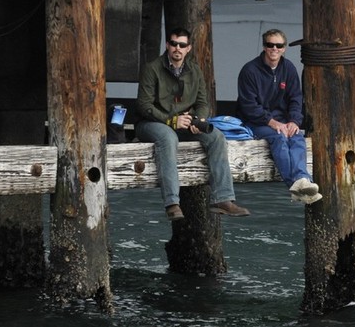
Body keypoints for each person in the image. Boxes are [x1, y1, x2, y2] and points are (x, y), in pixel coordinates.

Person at [135, 26, 250, 221]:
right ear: (167, 45)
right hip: (152, 123)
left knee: (216, 137)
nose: (177, 48)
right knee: (168, 137)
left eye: (182, 45)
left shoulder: (195, 70)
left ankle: (222, 199)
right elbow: (143, 105)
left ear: (188, 48)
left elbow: (203, 103)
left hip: (185, 123)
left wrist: (199, 120)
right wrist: (172, 120)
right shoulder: (152, 68)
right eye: (173, 44)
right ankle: (172, 203)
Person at [237, 29, 321, 204]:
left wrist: (294, 121)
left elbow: (296, 98)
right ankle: (296, 185)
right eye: (270, 45)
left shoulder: (288, 68)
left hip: (283, 120)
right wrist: (272, 122)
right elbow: (248, 105)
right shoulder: (249, 70)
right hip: (256, 122)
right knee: (280, 138)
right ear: (264, 47)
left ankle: (302, 180)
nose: (274, 48)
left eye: (278, 45)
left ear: (284, 48)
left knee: (297, 136)